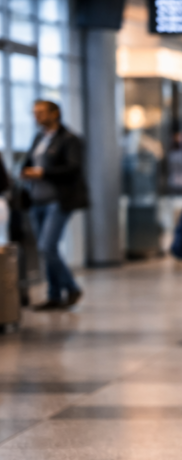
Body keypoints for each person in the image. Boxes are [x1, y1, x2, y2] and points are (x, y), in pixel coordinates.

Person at [19, 100, 89, 311]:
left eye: (40, 112)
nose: (37, 117)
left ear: (55, 113)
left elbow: (74, 168)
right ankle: (54, 295)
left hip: (59, 200)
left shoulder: (70, 139)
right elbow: (29, 162)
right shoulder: (39, 138)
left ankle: (72, 287)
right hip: (36, 200)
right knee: (46, 249)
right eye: (34, 113)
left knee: (46, 246)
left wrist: (43, 173)